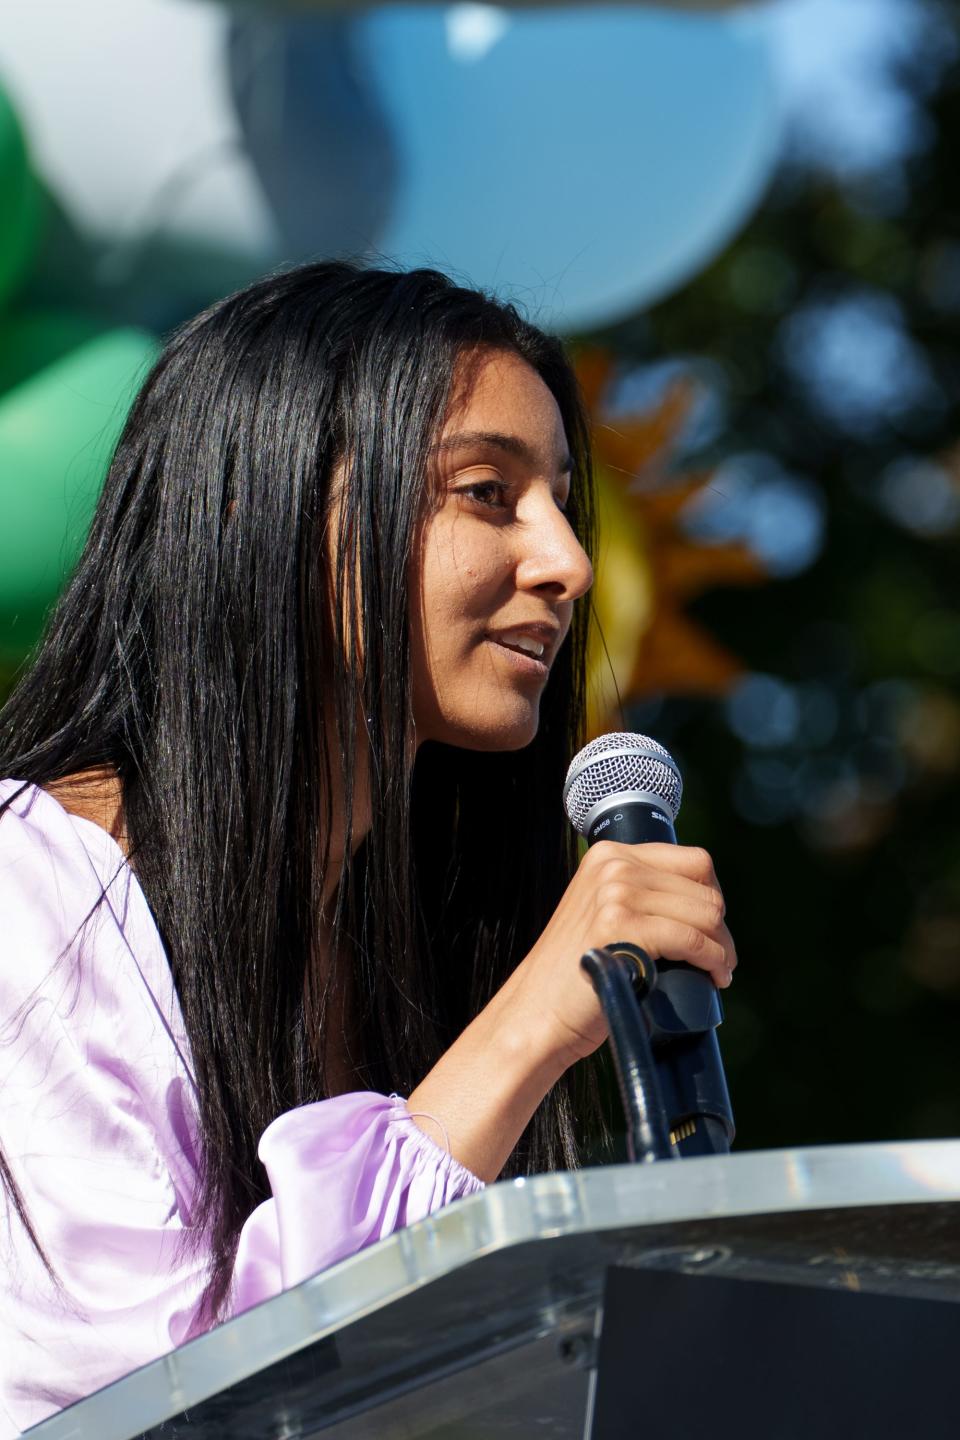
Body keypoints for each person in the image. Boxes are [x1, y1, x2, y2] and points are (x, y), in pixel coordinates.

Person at [0, 262, 736, 1432]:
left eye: (561, 504)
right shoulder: (30, 896)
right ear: (267, 507)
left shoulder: (402, 933)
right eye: (489, 492)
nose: (568, 563)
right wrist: (526, 1031)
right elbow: (150, 1410)